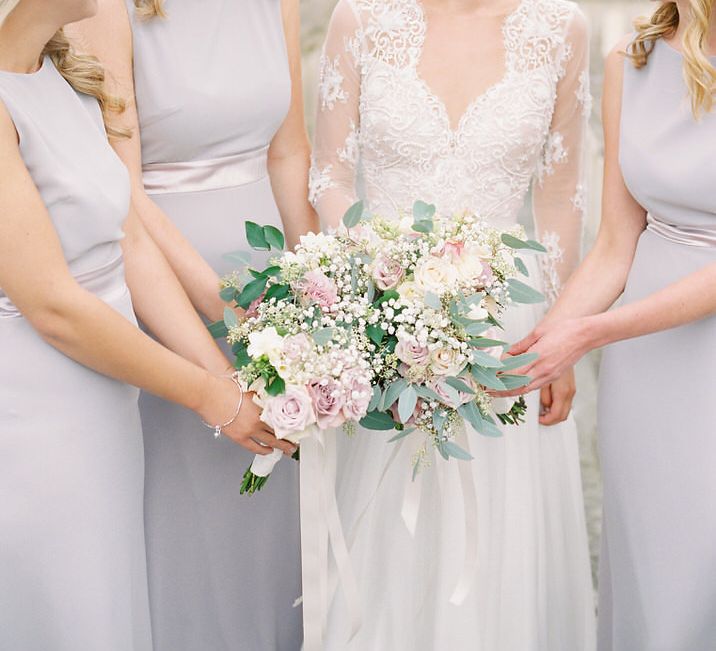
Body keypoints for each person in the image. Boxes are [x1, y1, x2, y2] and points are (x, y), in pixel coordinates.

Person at [0, 1, 293, 649]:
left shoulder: (59, 71)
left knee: (114, 605)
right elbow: (55, 307)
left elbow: (128, 237)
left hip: (108, 412)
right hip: (37, 423)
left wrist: (236, 358)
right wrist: (209, 392)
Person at [309, 0, 596, 648]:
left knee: (496, 535)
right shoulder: (360, 18)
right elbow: (329, 172)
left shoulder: (561, 28)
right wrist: (378, 291)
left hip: (508, 332)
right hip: (383, 323)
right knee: (389, 528)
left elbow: (559, 195)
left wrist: (560, 335)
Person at [503, 1, 716, 647]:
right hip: (645, 362)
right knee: (657, 563)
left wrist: (593, 333)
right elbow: (615, 244)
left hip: (651, 335)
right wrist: (543, 346)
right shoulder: (632, 59)